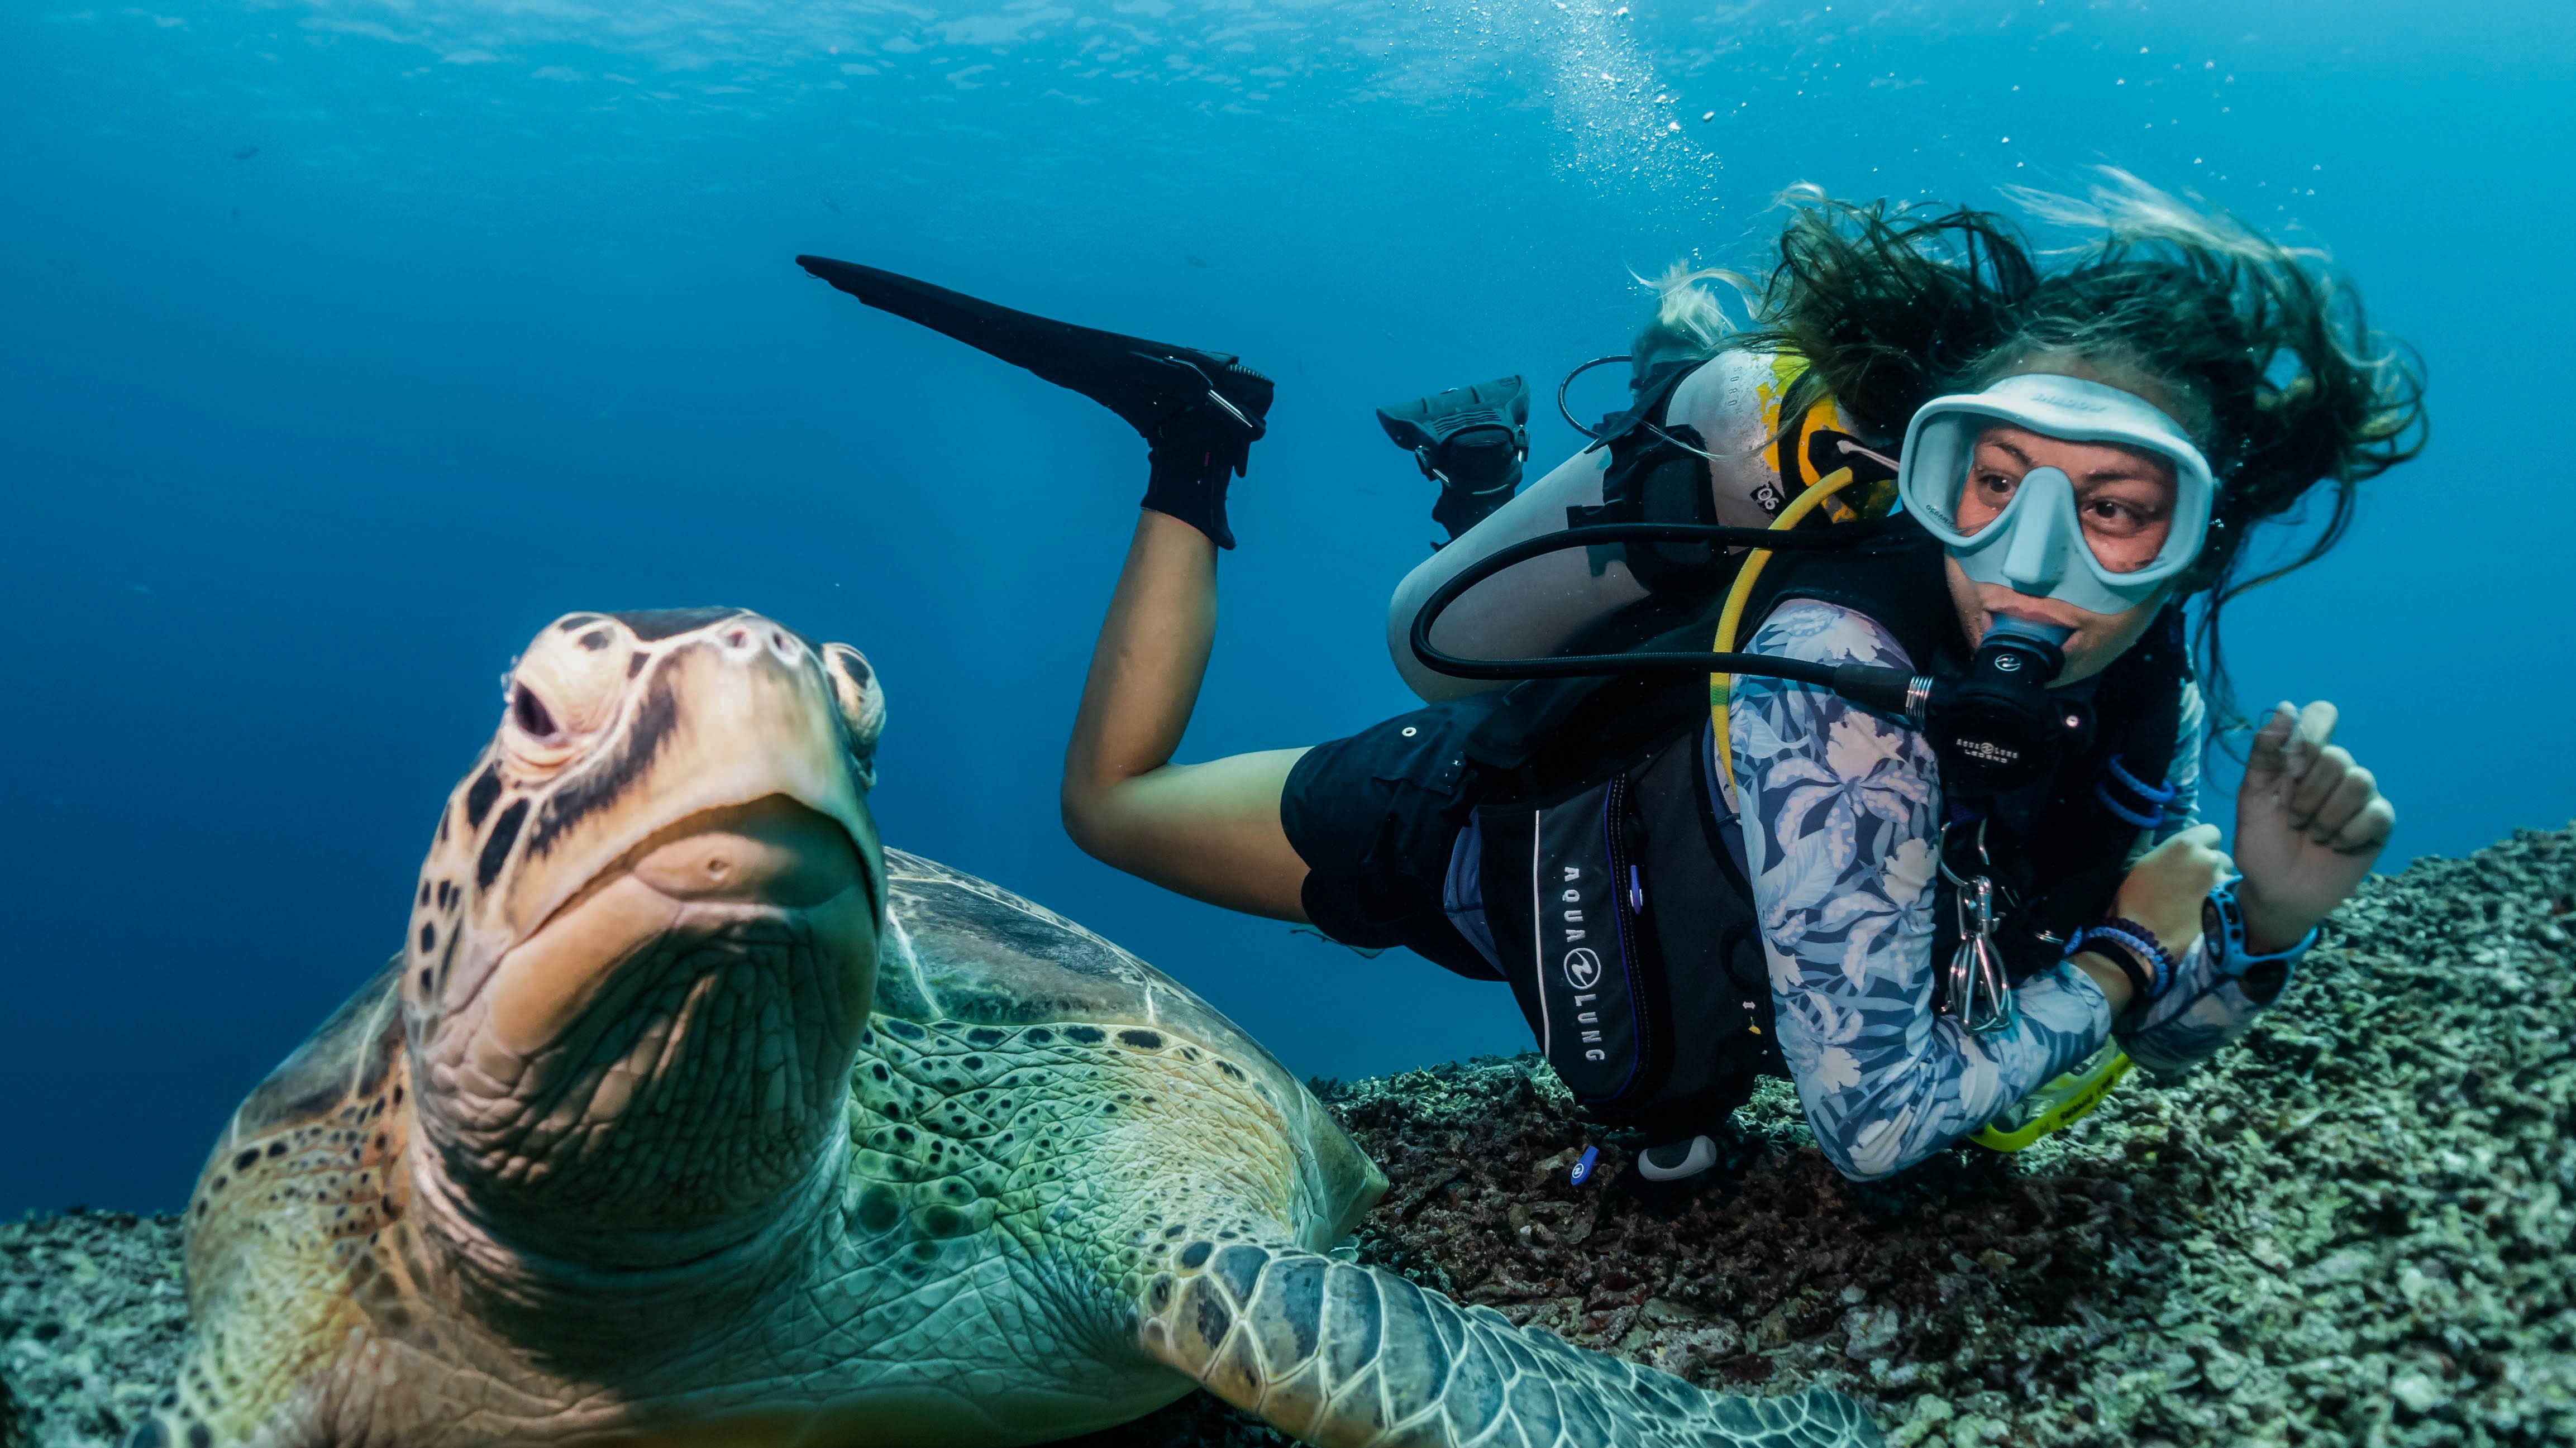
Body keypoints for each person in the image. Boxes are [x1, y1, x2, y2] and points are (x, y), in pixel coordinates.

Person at [795, 176, 2422, 1184]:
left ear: (2199, 542)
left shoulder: (2152, 709)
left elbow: (2124, 1030)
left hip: (1650, 830)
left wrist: (2264, 919)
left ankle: (1479, 467)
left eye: (2119, 511)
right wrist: (2152, 948)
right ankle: (1192, 440)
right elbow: (1884, 1125)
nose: (2033, 565)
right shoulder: (1831, 670)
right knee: (1108, 807)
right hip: (1471, 826)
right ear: (1924, 469)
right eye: (1987, 483)